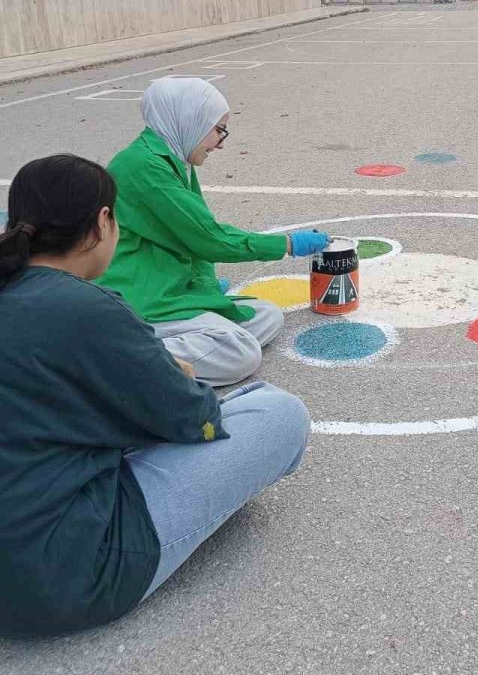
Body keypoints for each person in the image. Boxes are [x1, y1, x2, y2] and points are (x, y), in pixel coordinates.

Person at [0, 155, 310, 638]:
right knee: (277, 413)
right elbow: (195, 418)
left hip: (30, 514)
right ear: (102, 222)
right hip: (65, 574)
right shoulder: (88, 307)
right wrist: (178, 372)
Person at [101, 77, 328, 385]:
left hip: (170, 286)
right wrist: (287, 244)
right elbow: (208, 239)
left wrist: (204, 286)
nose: (221, 143)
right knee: (242, 353)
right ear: (190, 120)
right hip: (144, 299)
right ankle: (121, 358)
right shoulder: (145, 167)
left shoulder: (173, 158)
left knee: (266, 315)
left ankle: (172, 349)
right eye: (218, 130)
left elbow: (192, 239)